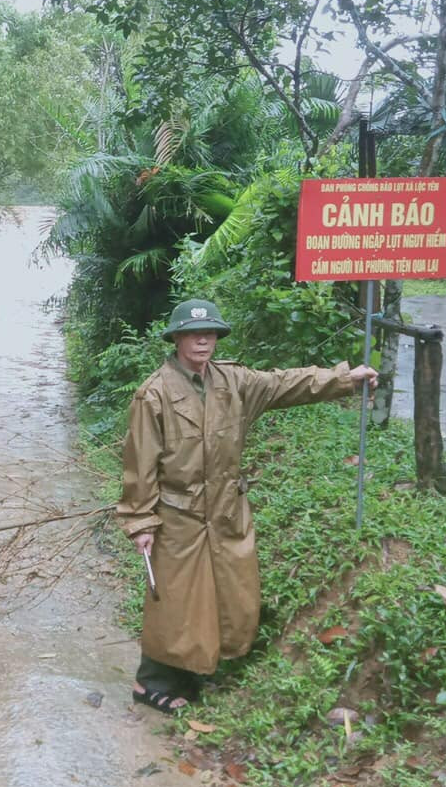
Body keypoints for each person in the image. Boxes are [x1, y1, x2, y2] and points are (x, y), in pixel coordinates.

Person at [118, 298, 378, 713]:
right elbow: (140, 464)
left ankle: (204, 668)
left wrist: (345, 378)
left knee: (229, 590)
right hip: (178, 517)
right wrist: (140, 521)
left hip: (226, 510)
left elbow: (286, 383)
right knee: (176, 602)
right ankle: (151, 684)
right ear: (177, 339)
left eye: (209, 333)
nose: (202, 341)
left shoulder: (234, 381)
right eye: (193, 334)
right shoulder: (153, 395)